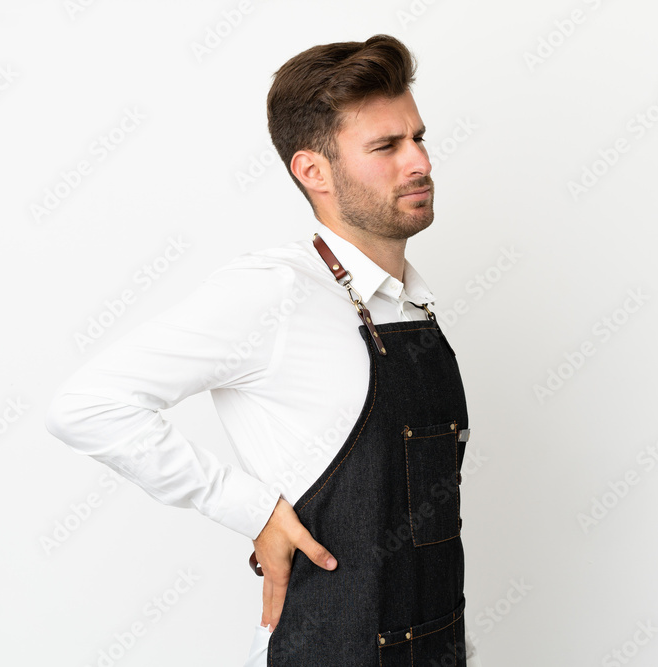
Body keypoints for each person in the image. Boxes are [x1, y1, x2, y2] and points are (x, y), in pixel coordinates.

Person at [46, 34, 481, 666]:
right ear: (313, 171)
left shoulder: (411, 304)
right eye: (386, 146)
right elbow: (86, 406)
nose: (419, 161)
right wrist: (255, 510)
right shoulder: (275, 292)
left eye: (417, 137)